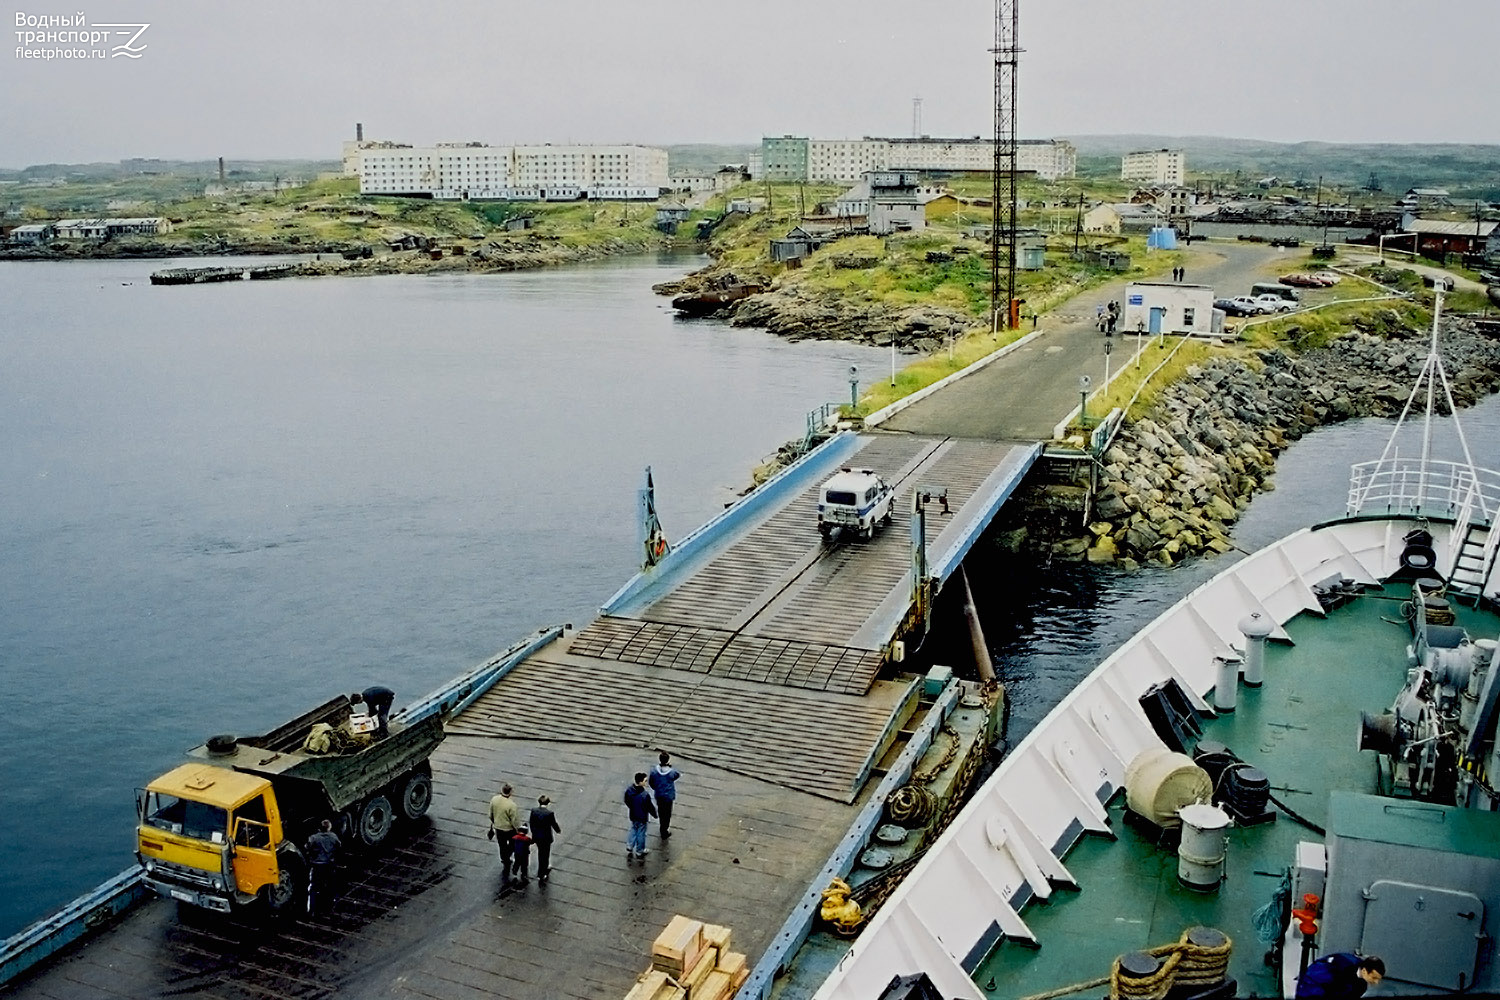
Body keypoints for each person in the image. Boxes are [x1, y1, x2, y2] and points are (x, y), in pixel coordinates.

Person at [1295, 953, 1384, 999]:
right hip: (1313, 985)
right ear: (1364, 971)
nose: (1376, 982)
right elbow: (1315, 978)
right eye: (1374, 978)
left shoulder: (1361, 987)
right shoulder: (1343, 964)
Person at [304, 818, 341, 916]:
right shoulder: (334, 837)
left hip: (317, 865)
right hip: (329, 865)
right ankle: (328, 909)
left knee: (313, 887)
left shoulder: (314, 838)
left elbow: (307, 848)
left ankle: (311, 910)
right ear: (329, 827)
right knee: (329, 887)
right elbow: (339, 847)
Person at [488, 783, 521, 884]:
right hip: (509, 829)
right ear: (510, 792)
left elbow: (490, 814)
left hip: (498, 827)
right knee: (511, 844)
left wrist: (494, 822)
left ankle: (504, 859)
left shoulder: (494, 800)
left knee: (501, 844)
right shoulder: (512, 805)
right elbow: (514, 820)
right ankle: (508, 856)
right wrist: (517, 829)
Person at [623, 772, 657, 862]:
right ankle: (639, 851)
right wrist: (655, 815)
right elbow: (650, 807)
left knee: (633, 829)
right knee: (641, 833)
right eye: (645, 781)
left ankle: (629, 846)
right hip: (642, 816)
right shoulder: (644, 795)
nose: (646, 783)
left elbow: (626, 801)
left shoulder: (629, 790)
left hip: (633, 814)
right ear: (640, 782)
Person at [648, 752, 682, 839]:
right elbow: (677, 775)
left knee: (661, 811)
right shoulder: (671, 772)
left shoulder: (654, 771)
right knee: (667, 813)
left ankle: (661, 825)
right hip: (668, 796)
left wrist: (656, 788)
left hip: (659, 795)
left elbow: (651, 782)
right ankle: (664, 830)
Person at [529, 795, 562, 884]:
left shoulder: (534, 811)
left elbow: (531, 823)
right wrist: (558, 830)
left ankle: (542, 870)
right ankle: (542, 872)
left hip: (537, 837)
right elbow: (553, 823)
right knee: (545, 854)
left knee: (540, 852)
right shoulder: (549, 813)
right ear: (548, 803)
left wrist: (534, 834)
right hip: (546, 837)